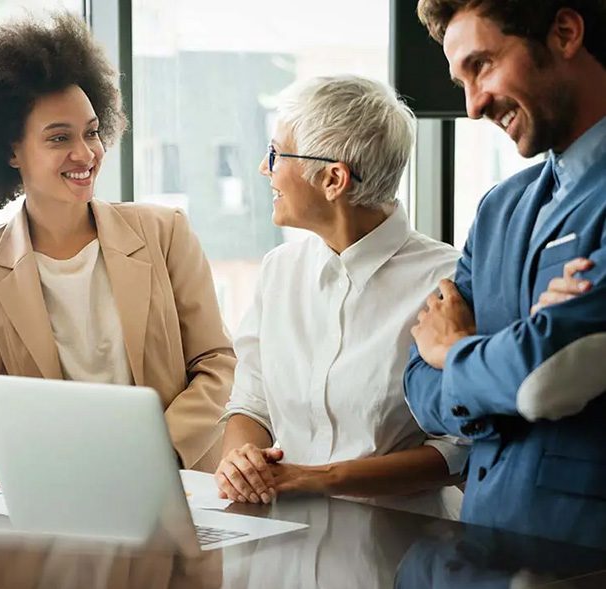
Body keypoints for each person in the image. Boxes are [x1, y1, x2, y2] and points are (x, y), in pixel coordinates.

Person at [0, 14, 233, 473]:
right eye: (59, 138)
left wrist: (155, 453)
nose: (86, 153)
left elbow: (216, 365)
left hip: (178, 482)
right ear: (10, 150)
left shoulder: (165, 232)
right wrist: (22, 457)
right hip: (64, 485)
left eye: (92, 131)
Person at [214, 76, 467, 518]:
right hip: (284, 542)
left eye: (275, 154)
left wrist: (320, 479)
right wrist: (241, 462)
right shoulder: (278, 270)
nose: (263, 168)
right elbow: (250, 405)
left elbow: (457, 450)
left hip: (398, 554)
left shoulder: (446, 281)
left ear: (333, 178)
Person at [406, 0, 606, 548]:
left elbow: (550, 375)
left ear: (564, 32)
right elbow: (415, 384)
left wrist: (453, 352)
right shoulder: (500, 208)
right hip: (484, 554)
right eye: (461, 79)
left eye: (483, 65)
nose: (472, 106)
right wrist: (511, 354)